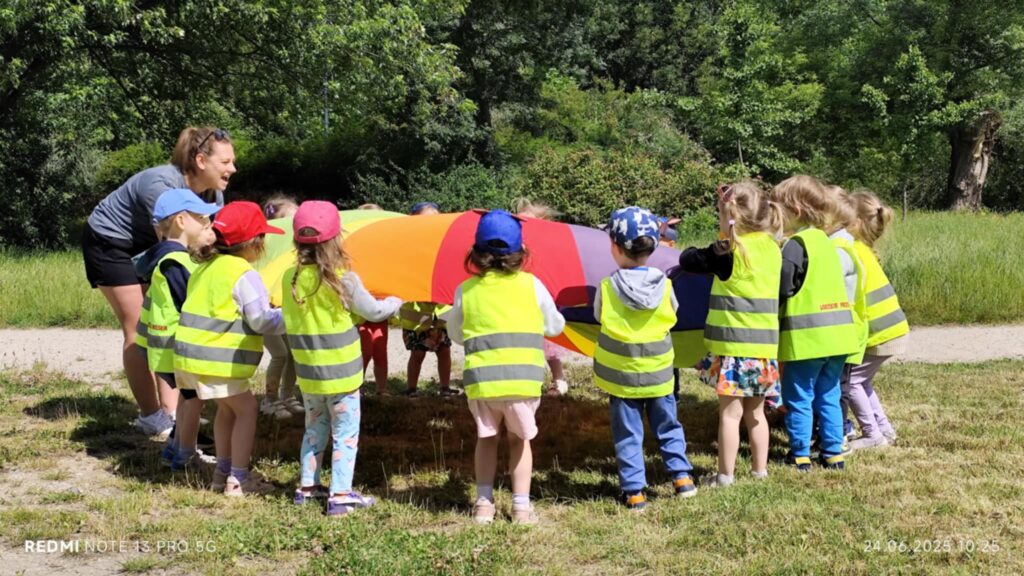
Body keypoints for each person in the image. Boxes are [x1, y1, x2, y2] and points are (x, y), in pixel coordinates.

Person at [82, 127, 234, 436]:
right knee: (139, 327)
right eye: (226, 162)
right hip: (111, 242)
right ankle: (152, 416)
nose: (233, 168)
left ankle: (172, 412)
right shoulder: (161, 186)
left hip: (152, 244)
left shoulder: (213, 194)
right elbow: (171, 247)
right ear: (201, 161)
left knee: (168, 322)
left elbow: (207, 242)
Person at [283, 201, 403, 515]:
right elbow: (373, 311)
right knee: (345, 434)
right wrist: (395, 301)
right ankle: (340, 495)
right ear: (337, 239)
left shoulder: (289, 278)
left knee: (314, 429)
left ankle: (307, 488)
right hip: (343, 377)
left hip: (309, 375)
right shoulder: (344, 279)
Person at [447, 210, 565, 525]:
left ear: (475, 252)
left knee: (486, 439)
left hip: (482, 383)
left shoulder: (465, 290)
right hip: (522, 382)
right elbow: (555, 327)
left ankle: (483, 506)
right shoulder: (533, 285)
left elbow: (455, 333)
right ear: (521, 251)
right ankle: (521, 508)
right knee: (519, 440)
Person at [174, 201, 285, 496]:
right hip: (220, 361)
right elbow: (261, 320)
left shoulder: (206, 267)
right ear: (254, 242)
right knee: (247, 409)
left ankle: (222, 472)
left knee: (227, 410)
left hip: (191, 360)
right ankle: (239, 478)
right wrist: (292, 317)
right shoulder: (244, 273)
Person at [679, 183, 782, 487]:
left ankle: (725, 476)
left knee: (729, 415)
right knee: (756, 414)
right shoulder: (773, 248)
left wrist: (723, 236)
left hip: (734, 349)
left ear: (729, 216)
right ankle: (760, 471)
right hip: (763, 349)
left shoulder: (727, 251)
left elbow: (687, 258)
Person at [596, 206, 697, 511]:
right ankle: (682, 478)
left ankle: (635, 492)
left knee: (628, 433)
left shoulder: (607, 287)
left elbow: (598, 316)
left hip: (623, 378)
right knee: (668, 425)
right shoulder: (666, 286)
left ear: (615, 247)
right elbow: (673, 313)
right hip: (660, 374)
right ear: (653, 247)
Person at [772, 175, 860, 471]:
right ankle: (833, 452)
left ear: (795, 211)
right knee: (829, 393)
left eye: (778, 210)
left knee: (798, 395)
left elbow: (783, 287)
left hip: (807, 339)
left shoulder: (796, 245)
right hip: (839, 338)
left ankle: (800, 453)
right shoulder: (828, 242)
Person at [140, 189, 220, 469]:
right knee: (193, 399)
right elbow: (189, 302)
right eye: (203, 219)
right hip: (178, 345)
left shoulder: (168, 257)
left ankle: (174, 449)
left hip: (167, 347)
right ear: (182, 221)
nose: (209, 225)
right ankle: (186, 455)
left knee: (189, 397)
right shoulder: (175, 261)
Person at [845, 191, 908, 449]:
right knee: (862, 380)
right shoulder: (865, 251)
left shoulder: (851, 251)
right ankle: (884, 430)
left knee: (851, 382)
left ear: (855, 222)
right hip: (893, 329)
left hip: (878, 333)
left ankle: (873, 435)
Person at [514, 198, 570, 396]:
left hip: (540, 294)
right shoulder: (515, 247)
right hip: (520, 295)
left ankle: (558, 378)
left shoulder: (546, 243)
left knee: (548, 344)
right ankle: (526, 379)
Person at [401, 201, 457, 396]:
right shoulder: (408, 248)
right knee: (417, 353)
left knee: (444, 351)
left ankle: (445, 387)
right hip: (418, 314)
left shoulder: (445, 247)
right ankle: (411, 388)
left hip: (441, 312)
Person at [260, 194, 302, 420]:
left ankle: (287, 395)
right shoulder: (264, 246)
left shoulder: (293, 250)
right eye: (289, 220)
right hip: (266, 309)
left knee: (293, 354)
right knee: (280, 354)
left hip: (285, 309)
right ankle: (269, 399)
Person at [356, 203, 392, 394]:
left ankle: (382, 388)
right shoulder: (355, 248)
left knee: (380, 350)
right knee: (363, 351)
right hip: (360, 310)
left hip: (380, 306)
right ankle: (356, 387)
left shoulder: (384, 248)